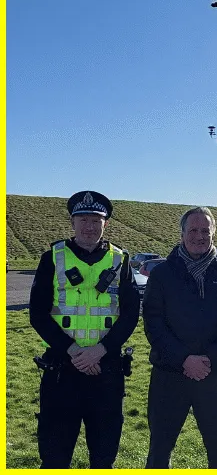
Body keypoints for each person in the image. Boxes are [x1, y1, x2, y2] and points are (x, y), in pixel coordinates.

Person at [28, 190, 140, 468]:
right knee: (54, 457)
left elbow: (130, 315)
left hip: (106, 370)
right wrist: (76, 352)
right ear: (72, 222)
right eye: (84, 220)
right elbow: (38, 315)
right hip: (62, 371)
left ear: (106, 224)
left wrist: (99, 352)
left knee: (103, 458)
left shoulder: (121, 260)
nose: (90, 226)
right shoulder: (52, 258)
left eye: (96, 220)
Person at [143, 206, 217, 469]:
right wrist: (183, 359)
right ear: (181, 234)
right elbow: (153, 323)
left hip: (214, 375)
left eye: (205, 230)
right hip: (169, 374)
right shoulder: (161, 274)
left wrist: (210, 359)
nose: (199, 236)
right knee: (159, 452)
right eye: (193, 230)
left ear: (214, 233)